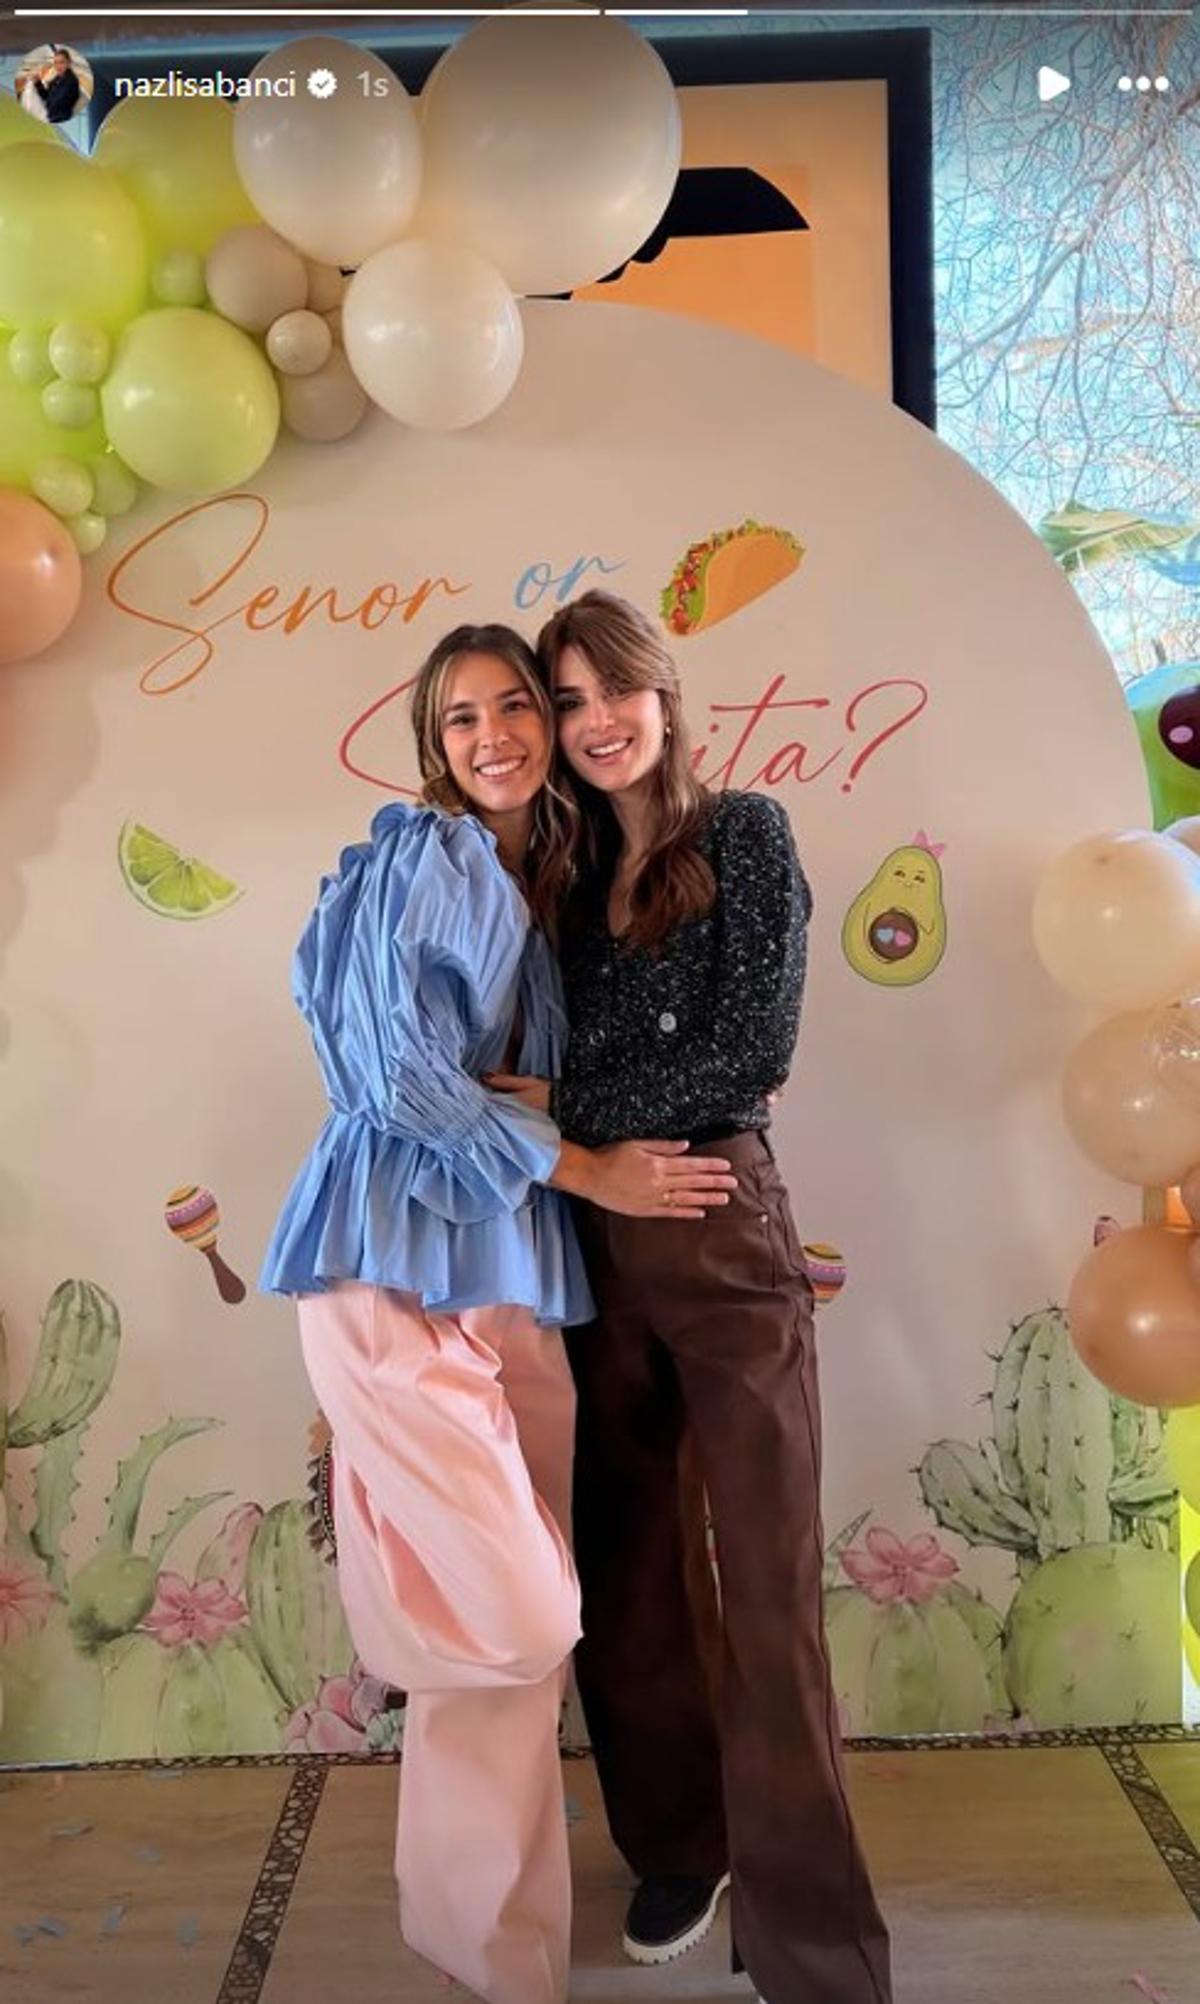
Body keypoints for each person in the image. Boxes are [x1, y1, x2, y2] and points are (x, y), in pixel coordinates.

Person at [261, 621, 735, 2004]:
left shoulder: (556, 885)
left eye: (515, 706)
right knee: (517, 1618)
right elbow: (388, 1070)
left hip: (519, 1281)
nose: (493, 738)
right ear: (433, 745)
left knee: (510, 1667)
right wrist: (588, 1166)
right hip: (394, 1270)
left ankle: (490, 1952)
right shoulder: (426, 858)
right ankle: (393, 1606)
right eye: (459, 719)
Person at [491, 590, 893, 2004]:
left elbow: (749, 1053)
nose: (597, 721)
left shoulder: (745, 836)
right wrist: (585, 1161)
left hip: (722, 1231)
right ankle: (678, 1844)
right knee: (629, 1576)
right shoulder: (556, 874)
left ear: (664, 696)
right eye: (568, 701)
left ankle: (819, 1951)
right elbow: (506, 1075)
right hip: (589, 1247)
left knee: (769, 1594)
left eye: (617, 691)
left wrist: (568, 1119)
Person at [33, 47, 81, 124]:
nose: (58, 66)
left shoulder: (71, 81)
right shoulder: (57, 79)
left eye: (62, 62)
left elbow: (57, 103)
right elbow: (46, 96)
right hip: (52, 117)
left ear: (68, 63)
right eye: (56, 63)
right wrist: (38, 83)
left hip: (60, 118)